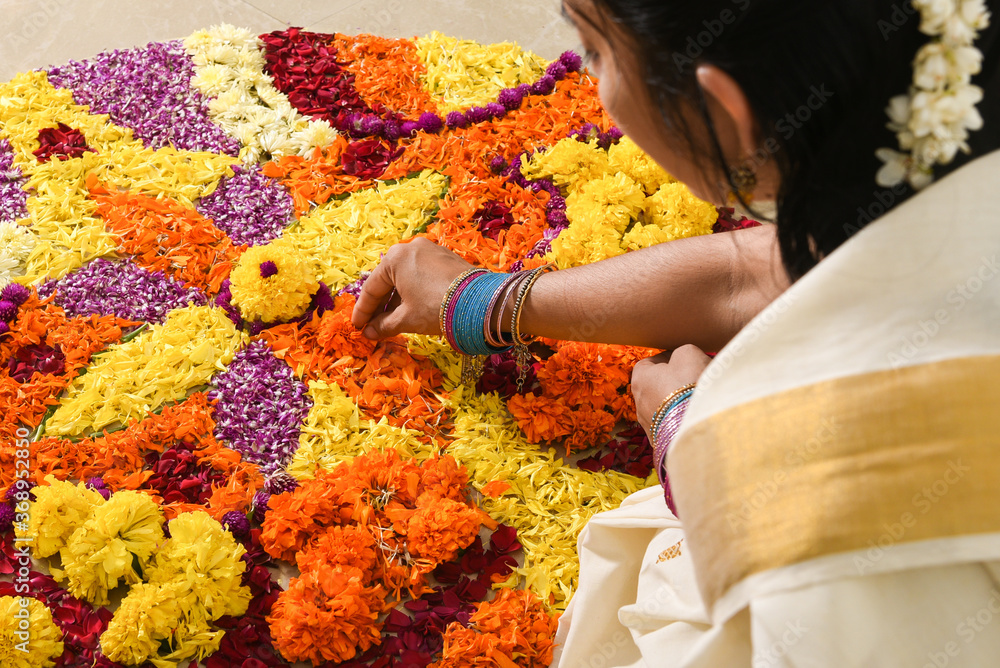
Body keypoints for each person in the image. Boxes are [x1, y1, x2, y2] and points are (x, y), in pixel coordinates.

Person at [353, 0, 1000, 665]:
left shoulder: (836, 479)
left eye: (597, 51)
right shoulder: (949, 122)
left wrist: (695, 446)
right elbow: (771, 272)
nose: (584, 74)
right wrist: (484, 301)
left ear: (723, 109)